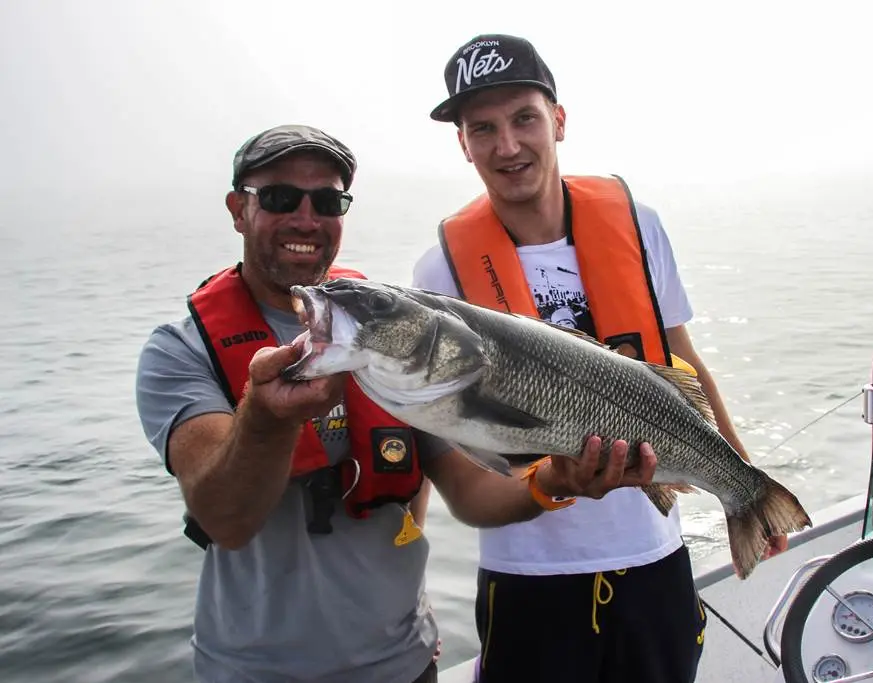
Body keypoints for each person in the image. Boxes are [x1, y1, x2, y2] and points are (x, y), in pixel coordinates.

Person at [134, 124, 659, 683]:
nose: (306, 219)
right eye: (281, 198)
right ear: (239, 210)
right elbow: (225, 520)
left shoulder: (396, 335)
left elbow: (472, 492)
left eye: (328, 200)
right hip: (252, 672)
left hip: (404, 664)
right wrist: (265, 421)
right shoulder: (181, 351)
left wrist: (554, 482)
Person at [412, 35, 791, 683]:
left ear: (558, 119)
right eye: (483, 128)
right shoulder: (440, 270)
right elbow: (447, 445)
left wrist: (745, 485)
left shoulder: (638, 224)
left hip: (652, 557)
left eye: (524, 117)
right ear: (463, 143)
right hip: (528, 573)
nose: (507, 145)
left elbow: (684, 361)